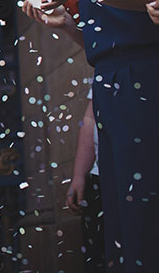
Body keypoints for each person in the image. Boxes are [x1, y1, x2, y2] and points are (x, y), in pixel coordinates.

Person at [22, 0, 159, 271]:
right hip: (115, 84)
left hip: (141, 82)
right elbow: (117, 35)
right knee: (122, 210)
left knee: (142, 208)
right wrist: (67, 26)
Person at [67, 91, 104, 273]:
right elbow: (90, 119)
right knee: (98, 254)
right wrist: (79, 175)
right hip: (100, 178)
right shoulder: (102, 68)